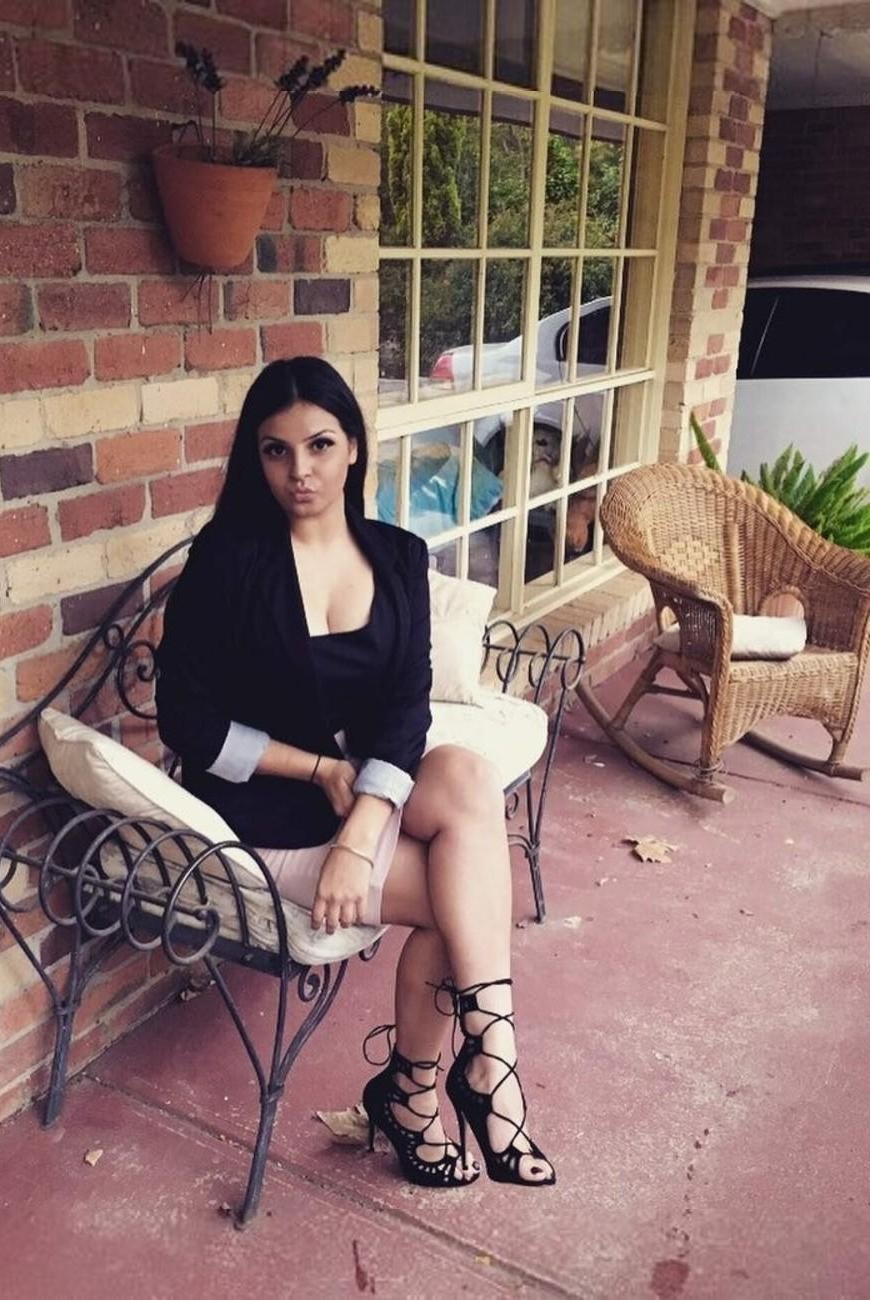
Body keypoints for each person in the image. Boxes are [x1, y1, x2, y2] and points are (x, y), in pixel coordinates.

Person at [156, 356, 554, 1190]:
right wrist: (317, 771)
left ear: (353, 449)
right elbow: (186, 724)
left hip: (364, 792)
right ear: (255, 458)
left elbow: (407, 714)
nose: (299, 471)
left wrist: (362, 830)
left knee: (468, 778)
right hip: (266, 813)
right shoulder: (228, 561)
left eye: (320, 445)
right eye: (276, 450)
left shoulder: (398, 558)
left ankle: (488, 1057)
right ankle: (420, 1093)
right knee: (455, 907)